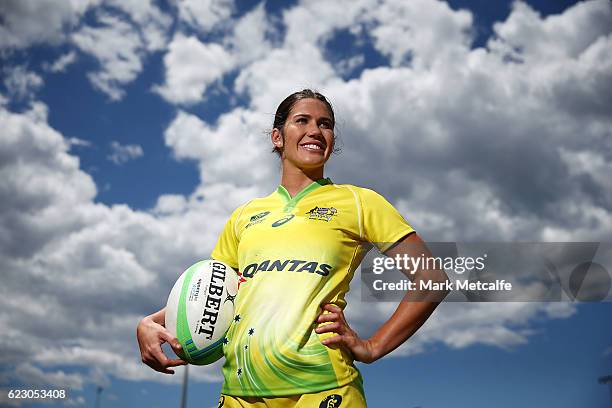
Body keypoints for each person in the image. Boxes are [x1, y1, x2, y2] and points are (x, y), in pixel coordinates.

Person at [137, 89, 449, 407]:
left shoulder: (359, 203)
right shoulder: (244, 216)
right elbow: (215, 293)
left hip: (324, 390)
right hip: (239, 394)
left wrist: (373, 347)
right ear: (277, 137)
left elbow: (432, 279)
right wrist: (151, 322)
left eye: (325, 124)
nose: (315, 130)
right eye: (302, 121)